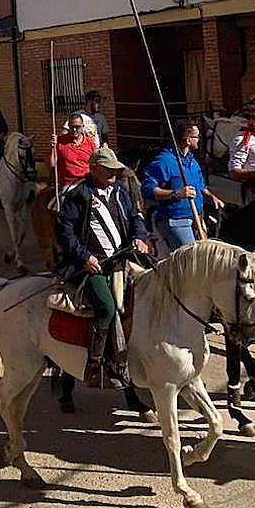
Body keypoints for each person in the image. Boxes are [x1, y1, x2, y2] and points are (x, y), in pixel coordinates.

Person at [53, 146, 150, 388]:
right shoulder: (78, 194)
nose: (113, 173)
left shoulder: (120, 192)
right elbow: (65, 232)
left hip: (121, 260)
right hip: (91, 266)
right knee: (106, 308)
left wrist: (140, 238)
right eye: (108, 169)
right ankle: (96, 365)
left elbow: (136, 218)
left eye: (115, 169)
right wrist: (84, 257)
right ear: (93, 168)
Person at [142, 120, 224, 251]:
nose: (199, 139)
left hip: (197, 219)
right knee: (192, 257)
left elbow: (200, 186)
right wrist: (176, 194)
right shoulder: (164, 161)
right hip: (176, 221)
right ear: (188, 140)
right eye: (197, 136)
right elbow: (147, 190)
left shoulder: (192, 161)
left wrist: (211, 197)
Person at [51, 111, 99, 193]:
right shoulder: (60, 141)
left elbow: (96, 165)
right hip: (68, 185)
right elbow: (52, 164)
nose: (74, 130)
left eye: (77, 127)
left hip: (86, 183)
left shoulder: (91, 144)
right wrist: (53, 147)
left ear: (82, 127)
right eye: (71, 127)